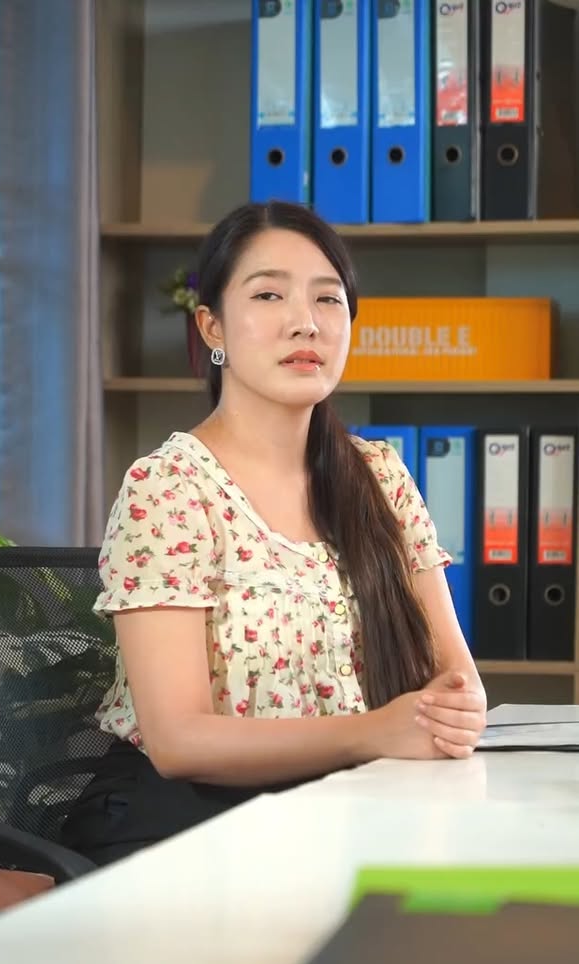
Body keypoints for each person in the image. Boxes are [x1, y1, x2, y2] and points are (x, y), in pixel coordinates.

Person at [61, 200, 487, 866]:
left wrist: (456, 713)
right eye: (268, 295)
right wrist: (372, 732)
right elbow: (177, 742)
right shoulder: (169, 487)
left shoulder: (379, 477)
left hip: (345, 812)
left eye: (328, 299)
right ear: (212, 327)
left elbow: (455, 680)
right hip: (187, 826)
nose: (304, 322)